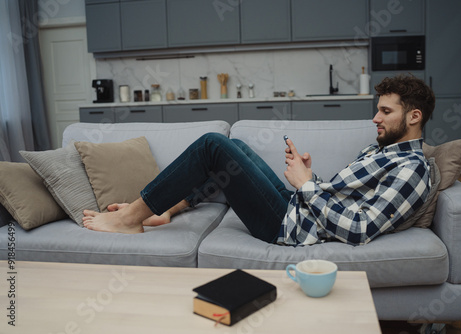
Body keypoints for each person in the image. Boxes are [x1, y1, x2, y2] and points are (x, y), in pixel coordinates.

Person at [83, 74, 435, 246]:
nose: (375, 118)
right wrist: (311, 175)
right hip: (299, 208)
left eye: (385, 111)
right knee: (240, 150)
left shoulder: (412, 169)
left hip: (288, 227)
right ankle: (168, 209)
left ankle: (130, 219)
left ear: (414, 116)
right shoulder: (382, 150)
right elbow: (346, 200)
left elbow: (361, 229)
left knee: (213, 146)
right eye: (377, 110)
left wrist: (307, 184)